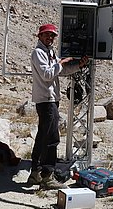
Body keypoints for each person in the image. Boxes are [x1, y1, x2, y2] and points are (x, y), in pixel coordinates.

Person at [27, 23, 89, 190]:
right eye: (47, 35)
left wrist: (78, 66)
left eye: (52, 35)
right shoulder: (38, 53)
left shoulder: (49, 52)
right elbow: (47, 74)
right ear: (40, 36)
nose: (50, 38)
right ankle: (47, 176)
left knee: (43, 135)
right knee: (52, 137)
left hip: (50, 99)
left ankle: (35, 172)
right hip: (46, 100)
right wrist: (61, 62)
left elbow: (59, 72)